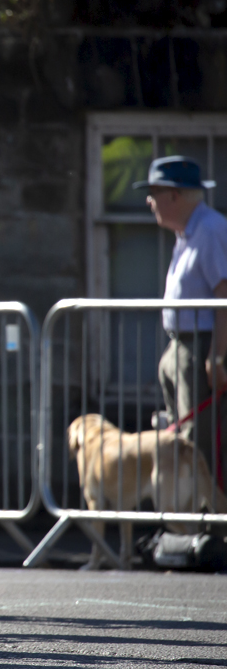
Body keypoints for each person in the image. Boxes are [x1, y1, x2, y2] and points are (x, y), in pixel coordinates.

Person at [140, 156, 227, 485]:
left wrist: (216, 356)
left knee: (198, 442)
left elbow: (225, 298)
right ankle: (193, 522)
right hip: (182, 345)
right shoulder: (188, 233)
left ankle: (211, 525)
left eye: (154, 193)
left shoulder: (211, 231)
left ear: (174, 195)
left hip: (202, 345)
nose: (150, 202)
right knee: (182, 441)